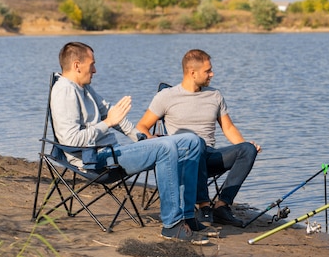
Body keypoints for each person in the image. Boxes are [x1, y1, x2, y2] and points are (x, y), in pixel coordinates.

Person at [50, 42, 208, 243]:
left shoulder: (84, 87)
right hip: (96, 161)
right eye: (92, 64)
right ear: (77, 65)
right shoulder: (64, 91)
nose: (95, 70)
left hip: (112, 152)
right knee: (166, 147)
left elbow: (111, 112)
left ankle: (186, 216)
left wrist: (140, 137)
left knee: (192, 141)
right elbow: (70, 139)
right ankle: (172, 225)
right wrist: (107, 123)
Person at [136, 49, 261, 228]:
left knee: (248, 149)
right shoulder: (166, 96)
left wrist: (244, 145)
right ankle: (203, 204)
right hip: (183, 159)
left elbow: (228, 127)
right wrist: (151, 138)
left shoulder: (214, 95)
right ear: (192, 73)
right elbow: (142, 126)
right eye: (208, 71)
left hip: (209, 156)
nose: (212, 74)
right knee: (196, 142)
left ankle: (222, 206)